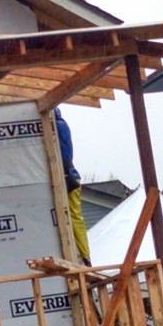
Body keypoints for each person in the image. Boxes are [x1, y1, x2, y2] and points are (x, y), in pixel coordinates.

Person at [54, 107, 91, 266]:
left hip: (68, 177)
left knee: (74, 218)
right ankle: (85, 256)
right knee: (74, 217)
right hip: (70, 176)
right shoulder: (62, 125)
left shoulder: (58, 126)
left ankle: (85, 257)